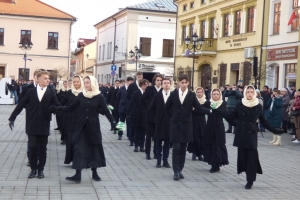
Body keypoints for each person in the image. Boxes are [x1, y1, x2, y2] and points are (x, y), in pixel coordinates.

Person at [50, 76, 116, 183]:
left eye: (88, 83)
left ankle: (94, 173)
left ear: (93, 84)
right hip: (81, 128)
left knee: (94, 149)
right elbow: (71, 107)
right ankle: (77, 175)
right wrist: (59, 108)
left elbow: (106, 111)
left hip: (93, 128)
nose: (86, 85)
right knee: (78, 150)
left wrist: (113, 122)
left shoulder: (99, 97)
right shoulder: (81, 95)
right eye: (85, 83)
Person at [214, 85, 281, 189]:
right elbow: (231, 116)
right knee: (243, 158)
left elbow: (264, 121)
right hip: (241, 134)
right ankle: (248, 173)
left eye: (251, 92)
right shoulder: (240, 104)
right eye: (248, 92)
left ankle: (250, 179)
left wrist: (275, 131)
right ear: (245, 93)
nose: (249, 94)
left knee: (251, 159)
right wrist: (219, 112)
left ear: (254, 93)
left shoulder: (258, 106)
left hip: (251, 135)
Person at [8, 71, 60, 179]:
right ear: (39, 79)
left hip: (44, 125)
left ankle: (41, 170)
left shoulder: (51, 92)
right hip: (31, 124)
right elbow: (21, 105)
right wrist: (12, 118)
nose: (48, 80)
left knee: (42, 148)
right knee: (32, 147)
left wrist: (60, 111)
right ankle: (33, 169)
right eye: (45, 78)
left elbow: (57, 106)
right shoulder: (31, 92)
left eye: (48, 78)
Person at [164, 74, 211, 181]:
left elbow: (198, 108)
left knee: (183, 149)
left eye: (185, 82)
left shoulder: (191, 95)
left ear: (188, 83)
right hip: (175, 125)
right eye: (182, 82)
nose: (184, 84)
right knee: (176, 148)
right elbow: (166, 108)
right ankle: (175, 171)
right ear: (179, 83)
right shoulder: (173, 94)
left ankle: (180, 169)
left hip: (187, 126)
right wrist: (172, 118)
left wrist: (210, 111)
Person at [203, 88, 229, 173]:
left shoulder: (223, 103)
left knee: (218, 145)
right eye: (214, 94)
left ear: (220, 95)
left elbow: (226, 113)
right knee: (211, 145)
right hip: (210, 127)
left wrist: (217, 111)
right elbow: (202, 110)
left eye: (217, 94)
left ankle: (217, 164)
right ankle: (212, 163)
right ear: (211, 95)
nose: (215, 96)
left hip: (219, 127)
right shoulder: (208, 103)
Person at [60, 75, 84, 164]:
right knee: (70, 141)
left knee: (80, 142)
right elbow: (62, 103)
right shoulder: (69, 92)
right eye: (74, 82)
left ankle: (79, 160)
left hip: (81, 120)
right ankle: (71, 159)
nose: (76, 83)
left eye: (78, 82)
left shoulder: (84, 92)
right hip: (70, 120)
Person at [150, 78, 172, 168]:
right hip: (159, 123)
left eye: (168, 83)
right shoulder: (157, 95)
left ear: (170, 84)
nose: (166, 84)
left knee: (167, 143)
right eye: (164, 83)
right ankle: (158, 161)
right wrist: (155, 118)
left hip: (169, 123)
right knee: (158, 142)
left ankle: (165, 161)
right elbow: (151, 108)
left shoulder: (173, 95)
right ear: (162, 85)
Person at [140, 74, 163, 160]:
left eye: (161, 80)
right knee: (149, 136)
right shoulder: (149, 89)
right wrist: (148, 107)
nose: (159, 82)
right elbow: (142, 99)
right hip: (150, 116)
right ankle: (147, 152)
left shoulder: (163, 90)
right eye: (158, 80)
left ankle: (156, 152)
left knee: (157, 136)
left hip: (159, 116)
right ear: (154, 81)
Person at [187, 87, 209, 161]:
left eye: (200, 92)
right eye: (198, 92)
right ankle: (194, 153)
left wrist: (195, 110)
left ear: (203, 93)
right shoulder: (193, 101)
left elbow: (205, 111)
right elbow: (190, 110)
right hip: (194, 121)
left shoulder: (205, 102)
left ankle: (200, 154)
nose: (199, 94)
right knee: (195, 138)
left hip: (202, 122)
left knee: (202, 137)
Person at [128, 79, 149, 152]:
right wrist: (129, 113)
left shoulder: (147, 93)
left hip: (144, 115)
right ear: (141, 85)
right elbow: (131, 103)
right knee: (137, 131)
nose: (146, 86)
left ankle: (142, 145)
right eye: (144, 85)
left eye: (147, 85)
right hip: (136, 115)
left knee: (143, 132)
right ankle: (136, 145)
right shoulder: (136, 93)